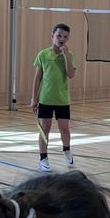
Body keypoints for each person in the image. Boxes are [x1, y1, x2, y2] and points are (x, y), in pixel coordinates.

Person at [31, 23, 76, 171]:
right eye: (59, 36)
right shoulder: (43, 54)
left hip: (62, 100)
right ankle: (43, 158)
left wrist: (66, 57)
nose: (61, 39)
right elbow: (37, 78)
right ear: (52, 36)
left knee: (64, 129)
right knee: (45, 128)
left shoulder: (69, 55)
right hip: (45, 99)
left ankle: (67, 150)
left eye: (65, 37)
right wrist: (34, 99)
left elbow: (70, 74)